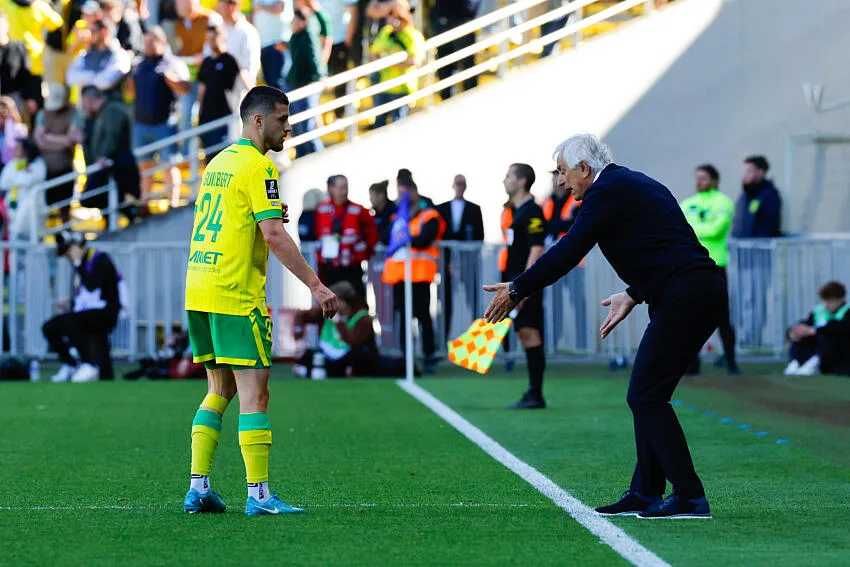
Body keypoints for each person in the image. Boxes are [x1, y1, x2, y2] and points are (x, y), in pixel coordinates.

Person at [484, 134, 724, 519]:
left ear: (584, 168)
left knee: (645, 396)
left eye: (563, 172)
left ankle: (690, 496)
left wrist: (516, 289)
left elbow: (568, 251)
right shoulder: (628, 183)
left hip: (686, 297)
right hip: (690, 292)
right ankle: (646, 492)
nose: (560, 181)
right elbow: (669, 246)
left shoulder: (607, 191)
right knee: (649, 395)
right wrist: (634, 293)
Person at [183, 85, 338, 516]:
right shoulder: (259, 165)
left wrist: (267, 216)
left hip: (200, 288)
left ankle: (198, 487)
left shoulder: (219, 162)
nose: (288, 128)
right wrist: (316, 285)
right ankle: (260, 495)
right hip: (235, 293)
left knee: (219, 388)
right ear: (258, 120)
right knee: (257, 394)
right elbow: (273, 235)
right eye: (282, 119)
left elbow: (232, 217)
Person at [381, 169, 444, 374]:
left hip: (419, 275)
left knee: (423, 316)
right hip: (399, 275)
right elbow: (385, 236)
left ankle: (428, 355)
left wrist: (404, 239)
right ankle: (405, 355)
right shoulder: (397, 215)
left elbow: (425, 238)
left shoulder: (429, 214)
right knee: (403, 316)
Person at [680, 164, 740, 375]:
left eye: (703, 177)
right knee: (690, 316)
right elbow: (680, 228)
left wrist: (693, 228)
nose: (699, 181)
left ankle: (731, 362)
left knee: (722, 317)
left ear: (714, 179)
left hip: (716, 265)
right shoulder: (688, 203)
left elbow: (717, 230)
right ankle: (691, 365)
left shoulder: (723, 202)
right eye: (697, 177)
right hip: (691, 265)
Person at [496, 163, 547, 409]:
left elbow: (537, 248)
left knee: (530, 332)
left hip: (525, 283)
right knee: (525, 333)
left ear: (522, 181)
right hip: (516, 283)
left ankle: (536, 394)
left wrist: (524, 285)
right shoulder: (515, 211)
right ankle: (533, 392)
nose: (504, 180)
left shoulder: (533, 211)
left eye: (509, 176)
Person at [44, 231, 123, 383]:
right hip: (88, 312)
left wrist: (77, 263)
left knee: (72, 322)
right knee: (50, 327)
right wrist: (71, 302)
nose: (68, 257)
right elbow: (86, 294)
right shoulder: (81, 264)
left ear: (77, 247)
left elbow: (92, 285)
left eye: (68, 252)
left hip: (105, 313)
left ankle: (88, 364)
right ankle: (71, 364)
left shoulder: (100, 259)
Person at [292, 280, 409, 378]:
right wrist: (299, 338)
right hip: (329, 354)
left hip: (353, 357)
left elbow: (353, 341)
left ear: (345, 302)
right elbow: (301, 315)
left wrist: (339, 322)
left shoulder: (363, 318)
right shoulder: (326, 310)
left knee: (359, 356)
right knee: (310, 355)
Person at [131, 26, 191, 206]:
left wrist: (171, 79)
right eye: (146, 42)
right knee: (144, 167)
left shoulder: (173, 63)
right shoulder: (139, 65)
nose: (148, 45)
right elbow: (131, 92)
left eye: (152, 42)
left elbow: (185, 89)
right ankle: (145, 204)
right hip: (142, 123)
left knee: (169, 165)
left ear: (162, 42)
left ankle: (173, 203)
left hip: (164, 123)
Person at [314, 174, 378, 299]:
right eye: (340, 187)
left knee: (356, 303)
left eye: (346, 187)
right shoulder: (321, 209)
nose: (344, 191)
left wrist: (364, 254)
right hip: (328, 267)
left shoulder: (358, 210)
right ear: (331, 188)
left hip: (351, 267)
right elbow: (316, 235)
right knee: (329, 303)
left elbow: (373, 235)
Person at [197, 24, 254, 163]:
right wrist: (198, 112)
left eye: (214, 38)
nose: (211, 42)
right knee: (210, 160)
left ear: (222, 38)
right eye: (209, 39)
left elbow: (245, 78)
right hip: (207, 118)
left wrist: (260, 99)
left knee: (226, 158)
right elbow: (201, 89)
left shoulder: (230, 59)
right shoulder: (207, 62)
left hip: (224, 116)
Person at [436, 174, 483, 338]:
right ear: (453, 185)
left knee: (473, 300)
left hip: (467, 263)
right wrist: (447, 262)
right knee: (445, 301)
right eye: (458, 183)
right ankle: (442, 339)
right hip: (447, 262)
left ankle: (475, 337)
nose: (460, 186)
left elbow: (479, 237)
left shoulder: (474, 209)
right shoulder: (441, 208)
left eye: (463, 183)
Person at [368, 0, 423, 128]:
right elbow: (374, 54)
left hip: (402, 87)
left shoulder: (412, 35)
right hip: (384, 85)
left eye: (398, 15)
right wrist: (390, 61)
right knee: (379, 123)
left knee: (398, 123)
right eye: (390, 14)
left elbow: (414, 61)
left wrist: (388, 62)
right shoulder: (386, 32)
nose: (394, 19)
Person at [33, 84, 81, 225]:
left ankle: (66, 233)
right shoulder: (43, 114)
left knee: (65, 206)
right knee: (45, 205)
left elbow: (70, 140)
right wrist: (61, 140)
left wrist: (48, 137)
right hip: (45, 169)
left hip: (65, 166)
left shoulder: (73, 113)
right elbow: (39, 142)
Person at [784, 281, 850, 377]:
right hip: (816, 347)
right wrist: (794, 332)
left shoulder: (847, 312)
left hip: (838, 355)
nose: (826, 304)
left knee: (831, 334)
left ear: (841, 299)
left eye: (830, 301)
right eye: (824, 300)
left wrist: (815, 331)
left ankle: (813, 363)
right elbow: (807, 325)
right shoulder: (818, 311)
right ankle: (794, 363)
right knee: (800, 333)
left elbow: (841, 327)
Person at [286, 7, 325, 157]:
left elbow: (314, 56)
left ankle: (318, 156)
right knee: (297, 127)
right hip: (296, 84)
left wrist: (320, 75)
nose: (292, 23)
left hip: (307, 84)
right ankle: (302, 156)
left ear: (302, 22)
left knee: (308, 127)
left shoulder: (308, 35)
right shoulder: (295, 37)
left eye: (294, 20)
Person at [0, 137, 47, 241]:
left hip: (32, 209)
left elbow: (28, 181)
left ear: (26, 150)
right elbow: (4, 183)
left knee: (33, 237)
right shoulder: (12, 163)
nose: (15, 150)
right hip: (12, 206)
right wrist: (21, 174)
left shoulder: (38, 164)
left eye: (18, 148)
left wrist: (18, 177)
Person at [732, 155, 782, 238]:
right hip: (741, 244)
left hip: (758, 245)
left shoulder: (770, 195)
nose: (745, 175)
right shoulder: (745, 195)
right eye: (744, 171)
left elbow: (768, 227)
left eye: (749, 171)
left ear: (761, 172)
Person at [0, 96, 28, 169]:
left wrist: (9, 122)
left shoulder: (20, 129)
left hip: (14, 168)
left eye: (2, 114)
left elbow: (12, 145)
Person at [369, 179, 396, 245]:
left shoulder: (394, 210)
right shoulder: (373, 213)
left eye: (372, 196)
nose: (370, 199)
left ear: (381, 195)